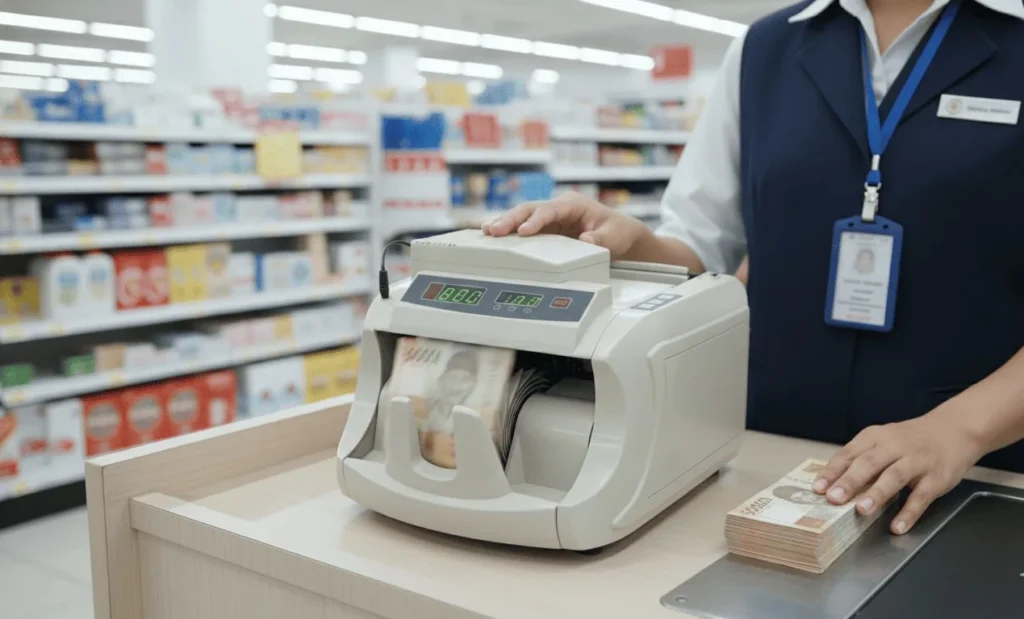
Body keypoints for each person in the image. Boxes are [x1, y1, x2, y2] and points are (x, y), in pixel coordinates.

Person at [484, 0, 1024, 535]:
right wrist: (629, 242)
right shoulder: (765, 48)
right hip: (771, 455)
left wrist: (960, 430)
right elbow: (701, 242)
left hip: (976, 473)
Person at [417, 350, 479, 468]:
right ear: (442, 380)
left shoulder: (477, 418)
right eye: (452, 378)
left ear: (473, 383)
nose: (457, 386)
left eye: (465, 379)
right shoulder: (428, 412)